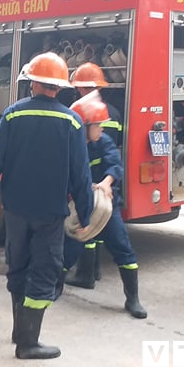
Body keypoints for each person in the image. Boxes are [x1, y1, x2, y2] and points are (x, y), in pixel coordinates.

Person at [0, 52, 92, 360]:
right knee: (44, 272)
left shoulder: (12, 115)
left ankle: (19, 331)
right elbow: (81, 174)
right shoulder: (72, 121)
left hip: (15, 209)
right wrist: (86, 212)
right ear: (59, 87)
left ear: (32, 84)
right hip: (51, 211)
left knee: (18, 265)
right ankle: (28, 343)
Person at [60, 92, 147, 318]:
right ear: (84, 125)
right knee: (70, 248)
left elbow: (114, 164)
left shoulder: (103, 142)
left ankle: (133, 299)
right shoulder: (69, 145)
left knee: (122, 247)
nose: (102, 129)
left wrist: (107, 182)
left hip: (105, 205)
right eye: (98, 125)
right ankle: (55, 287)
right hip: (79, 204)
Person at [66, 62, 123, 279]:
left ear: (79, 88)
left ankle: (87, 273)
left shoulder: (79, 114)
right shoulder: (113, 113)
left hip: (88, 180)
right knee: (98, 227)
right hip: (104, 180)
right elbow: (113, 147)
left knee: (83, 227)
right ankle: (91, 272)